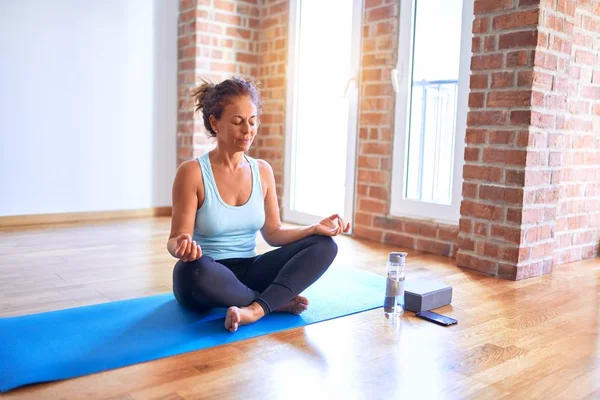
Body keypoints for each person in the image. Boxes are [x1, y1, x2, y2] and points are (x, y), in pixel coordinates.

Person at [168, 76, 350, 332]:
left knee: (324, 246)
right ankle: (272, 302)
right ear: (214, 123)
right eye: (237, 122)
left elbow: (273, 234)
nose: (247, 130)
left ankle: (255, 309)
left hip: (250, 268)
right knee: (191, 272)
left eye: (252, 122)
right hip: (208, 273)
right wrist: (182, 248)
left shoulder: (262, 171)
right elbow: (176, 239)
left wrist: (313, 229)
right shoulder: (192, 172)